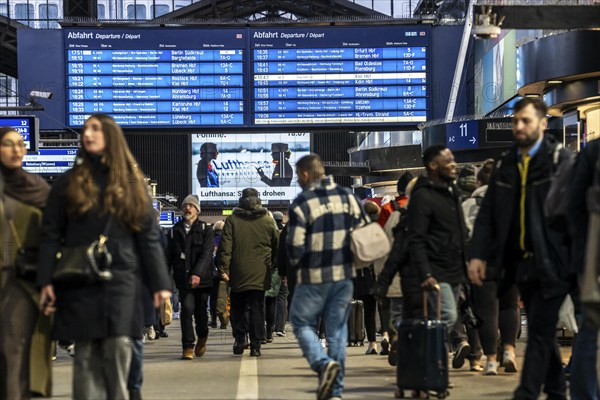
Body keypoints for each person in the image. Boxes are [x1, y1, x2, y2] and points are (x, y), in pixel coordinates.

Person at [37, 114, 172, 400]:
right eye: (85, 129)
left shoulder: (132, 182)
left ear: (111, 136)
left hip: (122, 280)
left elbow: (148, 237)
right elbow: (49, 234)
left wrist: (160, 284)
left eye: (95, 129)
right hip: (79, 279)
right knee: (85, 357)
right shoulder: (68, 183)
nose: (87, 134)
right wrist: (45, 280)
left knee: (118, 350)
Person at [469, 98, 573, 400]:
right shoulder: (506, 164)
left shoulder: (559, 160)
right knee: (542, 328)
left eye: (525, 120)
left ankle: (525, 393)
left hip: (553, 261)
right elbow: (488, 214)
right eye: (515, 121)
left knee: (540, 329)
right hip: (519, 264)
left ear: (542, 123)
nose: (519, 126)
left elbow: (573, 213)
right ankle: (556, 390)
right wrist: (478, 255)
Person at [287, 154, 364, 400]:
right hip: (343, 276)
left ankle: (321, 363)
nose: (298, 180)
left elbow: (296, 245)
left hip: (314, 276)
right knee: (337, 331)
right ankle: (335, 391)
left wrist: (299, 266)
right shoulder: (349, 197)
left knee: (301, 322)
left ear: (306, 174)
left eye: (298, 175)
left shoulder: (302, 202)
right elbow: (363, 234)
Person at [0, 127, 52, 399]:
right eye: (8, 144)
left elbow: (52, 237)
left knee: (15, 351)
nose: (17, 150)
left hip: (22, 283)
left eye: (20, 144)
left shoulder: (37, 188)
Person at [464, 160, 521, 376]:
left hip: (480, 262)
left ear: (478, 181)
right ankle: (508, 351)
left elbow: (463, 237)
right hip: (509, 260)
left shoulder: (468, 204)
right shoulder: (511, 200)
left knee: (486, 313)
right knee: (510, 306)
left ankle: (490, 361)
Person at [408, 145, 468, 331]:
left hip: (455, 269)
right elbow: (416, 237)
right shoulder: (422, 196)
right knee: (447, 316)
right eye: (448, 161)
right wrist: (426, 272)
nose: (454, 165)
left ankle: (435, 358)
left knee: (444, 318)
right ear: (433, 165)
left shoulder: (452, 192)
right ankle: (424, 354)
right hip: (436, 270)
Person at [217, 188, 279, 357]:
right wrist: (272, 265)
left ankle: (240, 338)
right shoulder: (267, 220)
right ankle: (256, 345)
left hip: (238, 272)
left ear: (241, 200)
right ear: (258, 199)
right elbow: (276, 245)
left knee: (238, 306)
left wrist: (224, 268)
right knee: (257, 308)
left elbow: (225, 248)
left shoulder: (232, 220)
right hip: (261, 271)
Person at [568, 137, 600, 400]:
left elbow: (573, 209)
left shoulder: (593, 151)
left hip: (591, 263)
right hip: (591, 263)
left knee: (589, 334)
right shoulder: (593, 152)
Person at [168, 194, 214, 360]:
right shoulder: (174, 231)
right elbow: (168, 256)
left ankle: (202, 337)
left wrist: (197, 273)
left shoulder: (205, 229)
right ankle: (187, 346)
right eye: (185, 205)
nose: (188, 208)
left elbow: (207, 253)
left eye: (191, 206)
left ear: (197, 210)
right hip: (183, 280)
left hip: (203, 280)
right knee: (186, 311)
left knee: (201, 313)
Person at [356, 201, 381, 355]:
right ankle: (387, 336)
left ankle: (372, 343)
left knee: (370, 311)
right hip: (383, 272)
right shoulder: (382, 225)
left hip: (366, 275)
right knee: (385, 308)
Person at [272, 211, 289, 336]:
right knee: (282, 297)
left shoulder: (269, 231)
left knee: (270, 298)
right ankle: (280, 327)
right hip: (284, 269)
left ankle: (270, 324)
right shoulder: (286, 231)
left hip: (272, 268)